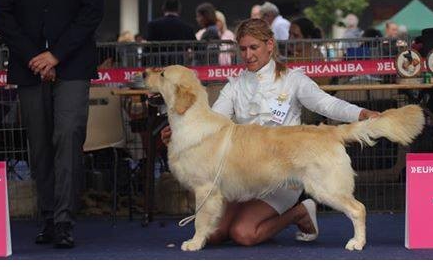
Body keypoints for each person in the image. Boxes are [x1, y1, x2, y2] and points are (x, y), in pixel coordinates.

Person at [160, 18, 379, 247]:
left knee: (243, 234)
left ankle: (300, 212)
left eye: (254, 47)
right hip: (245, 176)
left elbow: (326, 103)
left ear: (270, 45)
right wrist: (179, 133)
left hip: (283, 175)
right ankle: (251, 212)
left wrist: (360, 113)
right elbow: (212, 123)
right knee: (212, 234)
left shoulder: (293, 80)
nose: (247, 55)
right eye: (243, 49)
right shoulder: (235, 85)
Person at [0, 0, 104, 249]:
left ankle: (64, 220)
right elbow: (3, 15)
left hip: (72, 65)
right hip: (28, 68)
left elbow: (92, 12)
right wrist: (35, 58)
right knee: (39, 144)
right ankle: (47, 217)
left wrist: (55, 55)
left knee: (68, 136)